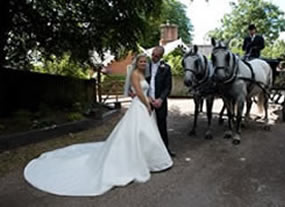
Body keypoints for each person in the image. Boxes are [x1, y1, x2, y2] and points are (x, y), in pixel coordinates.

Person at [24, 53, 173, 197]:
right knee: (138, 133)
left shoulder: (142, 74)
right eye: (141, 61)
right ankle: (135, 160)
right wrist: (147, 105)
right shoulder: (134, 74)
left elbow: (144, 92)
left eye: (145, 62)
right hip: (139, 106)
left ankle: (148, 160)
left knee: (145, 133)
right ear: (136, 63)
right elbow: (139, 93)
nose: (143, 63)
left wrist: (149, 101)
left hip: (143, 105)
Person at [145, 46, 175, 157]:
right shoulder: (145, 66)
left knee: (162, 126)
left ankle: (165, 150)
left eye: (156, 56)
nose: (153, 57)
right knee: (147, 127)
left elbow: (168, 87)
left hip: (159, 102)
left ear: (161, 56)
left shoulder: (166, 68)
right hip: (146, 101)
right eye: (152, 54)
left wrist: (161, 99)